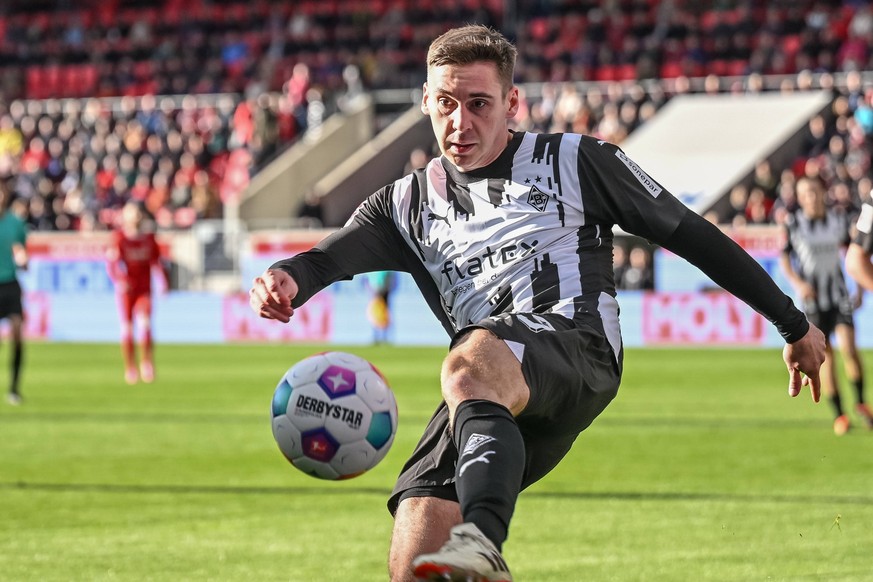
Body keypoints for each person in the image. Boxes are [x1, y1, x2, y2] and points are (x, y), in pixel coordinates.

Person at [249, 25, 826, 582]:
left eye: (479, 104)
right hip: (490, 396)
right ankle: (471, 554)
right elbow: (323, 260)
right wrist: (284, 279)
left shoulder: (577, 161)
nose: (461, 122)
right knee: (418, 547)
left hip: (578, 350)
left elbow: (692, 235)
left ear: (512, 102)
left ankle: (482, 542)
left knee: (467, 365)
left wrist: (793, 324)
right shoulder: (403, 205)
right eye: (446, 103)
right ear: (425, 99)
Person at [779, 176, 871, 435]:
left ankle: (862, 402)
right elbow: (785, 258)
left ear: (822, 192)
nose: (810, 197)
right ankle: (840, 414)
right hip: (814, 301)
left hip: (840, 295)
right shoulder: (794, 224)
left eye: (814, 191)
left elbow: (856, 252)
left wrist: (861, 288)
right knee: (826, 356)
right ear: (799, 197)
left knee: (850, 349)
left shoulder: (838, 220)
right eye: (805, 193)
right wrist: (798, 283)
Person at [106, 200, 169, 385]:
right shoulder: (119, 238)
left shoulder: (149, 239)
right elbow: (112, 264)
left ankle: (147, 363)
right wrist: (119, 280)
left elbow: (158, 263)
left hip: (144, 289)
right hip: (127, 291)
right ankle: (130, 367)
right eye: (130, 212)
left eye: (137, 212)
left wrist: (163, 281)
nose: (135, 216)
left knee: (146, 324)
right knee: (127, 327)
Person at [0, 185, 28, 405]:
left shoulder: (15, 223)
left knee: (18, 333)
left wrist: (22, 258)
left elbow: (20, 249)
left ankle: (14, 389)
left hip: (10, 283)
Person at [364, 270, 396, 344]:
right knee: (375, 313)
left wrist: (383, 289)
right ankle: (377, 336)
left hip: (382, 290)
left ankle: (384, 336)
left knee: (383, 313)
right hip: (375, 289)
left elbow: (388, 277)